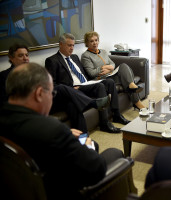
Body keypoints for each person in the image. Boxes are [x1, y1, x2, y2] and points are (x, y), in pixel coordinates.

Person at [0, 62, 124, 199]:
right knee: (113, 152)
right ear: (39, 93)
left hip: (21, 188)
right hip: (56, 192)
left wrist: (66, 136)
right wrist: (88, 146)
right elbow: (97, 170)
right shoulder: (53, 130)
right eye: (52, 93)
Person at [0, 44, 108, 133]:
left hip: (44, 100)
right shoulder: (5, 76)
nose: (25, 58)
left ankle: (83, 137)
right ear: (11, 58)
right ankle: (92, 103)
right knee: (61, 87)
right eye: (20, 56)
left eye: (27, 55)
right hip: (30, 105)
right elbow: (5, 100)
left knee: (71, 103)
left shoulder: (31, 72)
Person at [45, 33, 131, 133]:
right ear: (61, 44)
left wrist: (94, 79)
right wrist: (70, 89)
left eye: (73, 45)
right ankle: (104, 123)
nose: (72, 48)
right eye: (69, 45)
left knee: (110, 82)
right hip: (74, 89)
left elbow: (85, 73)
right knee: (100, 87)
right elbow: (53, 85)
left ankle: (117, 115)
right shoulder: (52, 60)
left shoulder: (74, 57)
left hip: (85, 83)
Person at [81, 31, 145, 110]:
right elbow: (91, 73)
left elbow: (113, 64)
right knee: (127, 78)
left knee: (124, 66)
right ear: (87, 43)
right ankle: (137, 102)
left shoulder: (103, 52)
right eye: (91, 41)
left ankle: (132, 86)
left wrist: (109, 68)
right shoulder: (85, 56)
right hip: (103, 79)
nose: (95, 43)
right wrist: (103, 67)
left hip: (111, 75)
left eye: (96, 40)